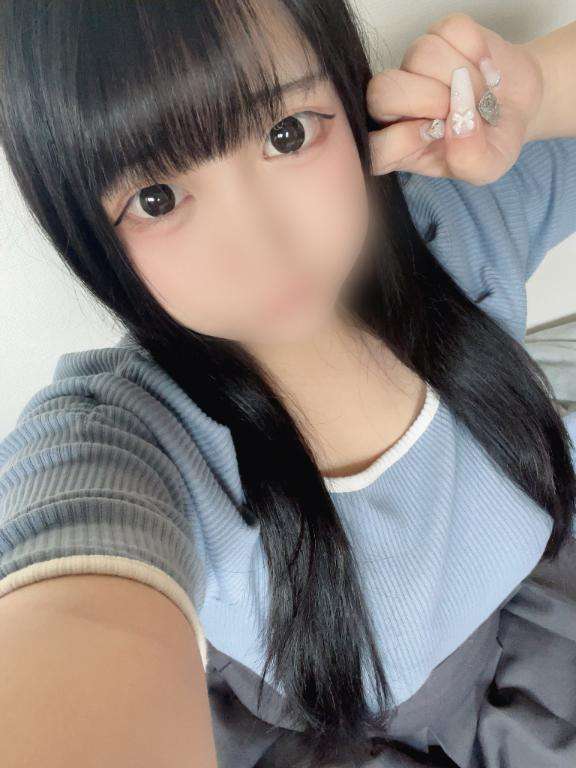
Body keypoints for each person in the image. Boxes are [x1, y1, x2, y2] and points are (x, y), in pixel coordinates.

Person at [0, 2, 575, 766]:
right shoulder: (133, 436)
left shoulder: (453, 227)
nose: (261, 243)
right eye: (157, 197)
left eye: (286, 134)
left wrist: (536, 87)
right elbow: (67, 596)